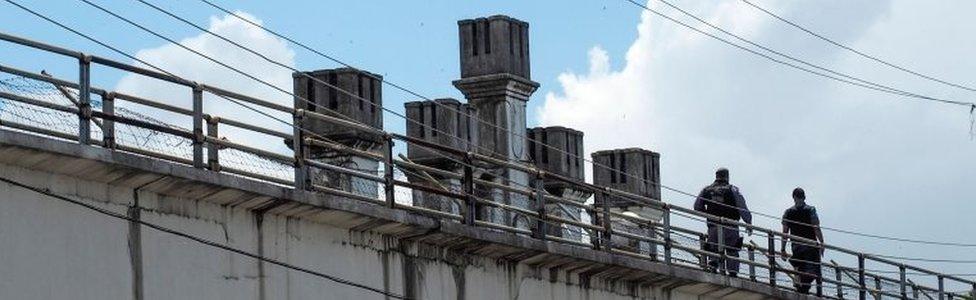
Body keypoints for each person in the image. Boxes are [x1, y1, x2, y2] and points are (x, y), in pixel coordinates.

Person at [695, 168, 752, 277]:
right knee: (732, 250)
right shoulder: (733, 189)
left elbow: (697, 207)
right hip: (730, 226)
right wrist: (748, 223)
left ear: (716, 176)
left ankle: (713, 269)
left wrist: (708, 213)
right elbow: (742, 208)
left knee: (713, 249)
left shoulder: (706, 190)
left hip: (713, 227)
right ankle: (732, 273)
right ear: (727, 177)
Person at [780, 187, 824, 294]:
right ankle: (817, 292)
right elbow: (816, 227)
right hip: (811, 246)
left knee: (800, 269)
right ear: (804, 197)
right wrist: (822, 243)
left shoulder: (788, 212)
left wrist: (783, 249)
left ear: (794, 197)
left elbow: (785, 233)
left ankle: (801, 287)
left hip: (797, 247)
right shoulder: (811, 210)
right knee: (814, 271)